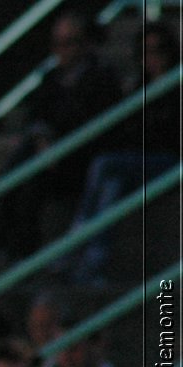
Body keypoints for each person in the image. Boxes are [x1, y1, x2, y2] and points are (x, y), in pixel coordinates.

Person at [0, 10, 122, 262]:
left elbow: (98, 128)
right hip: (48, 159)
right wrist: (42, 140)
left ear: (86, 43)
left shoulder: (101, 79)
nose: (61, 51)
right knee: (28, 163)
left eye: (69, 42)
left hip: (81, 161)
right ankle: (9, 242)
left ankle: (3, 239)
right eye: (56, 43)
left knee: (29, 166)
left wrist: (54, 145)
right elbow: (36, 118)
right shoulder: (52, 78)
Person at [62, 20, 180, 285]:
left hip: (171, 162)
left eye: (158, 50)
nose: (152, 58)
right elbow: (128, 133)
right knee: (111, 185)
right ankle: (93, 263)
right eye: (145, 51)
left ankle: (74, 240)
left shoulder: (176, 87)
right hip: (140, 161)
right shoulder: (138, 88)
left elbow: (169, 136)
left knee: (105, 165)